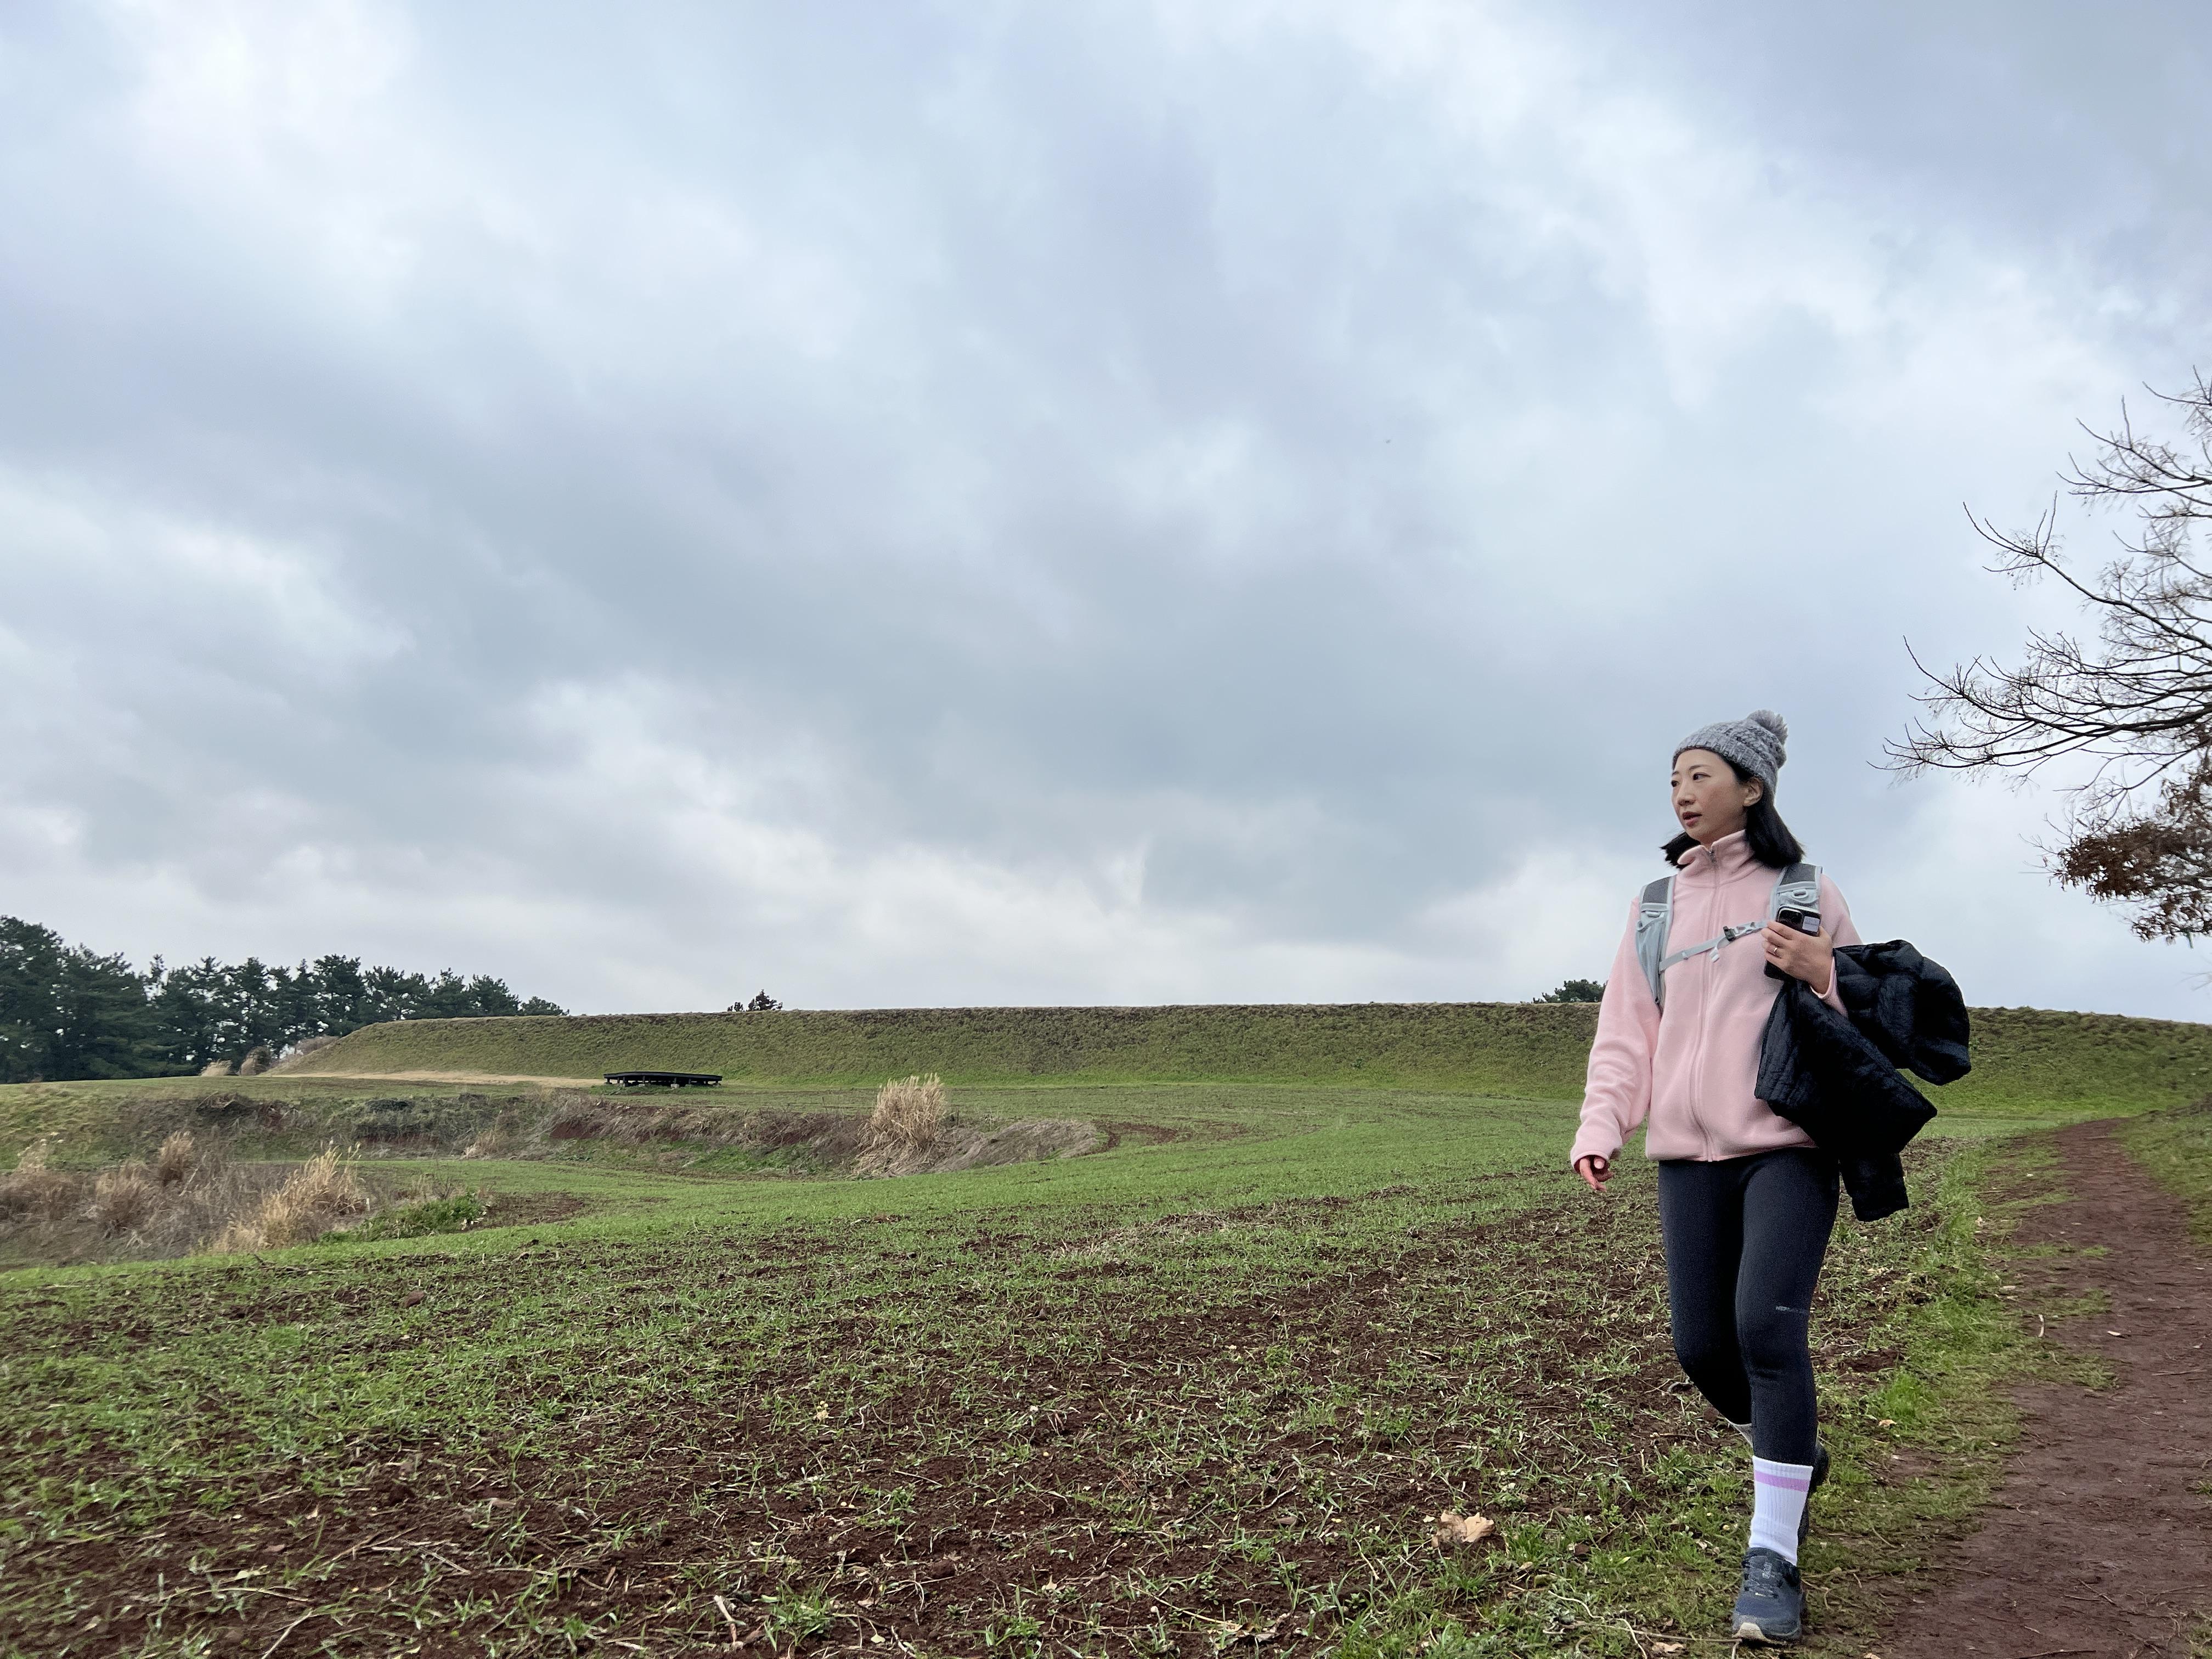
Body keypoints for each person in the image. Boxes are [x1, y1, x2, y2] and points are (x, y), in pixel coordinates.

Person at [1570, 710, 1859, 1646]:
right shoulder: (1656, 906)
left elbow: (1870, 1023)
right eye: (1673, 781)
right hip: (1687, 1160)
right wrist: (1601, 1125)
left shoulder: (1807, 892)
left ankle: (1772, 1560)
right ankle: (1794, 1454)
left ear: (1753, 787)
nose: (1683, 793)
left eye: (1700, 775)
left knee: (1764, 1332)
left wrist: (1825, 970)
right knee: (1701, 1347)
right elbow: (1626, 1032)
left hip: (1787, 1148)